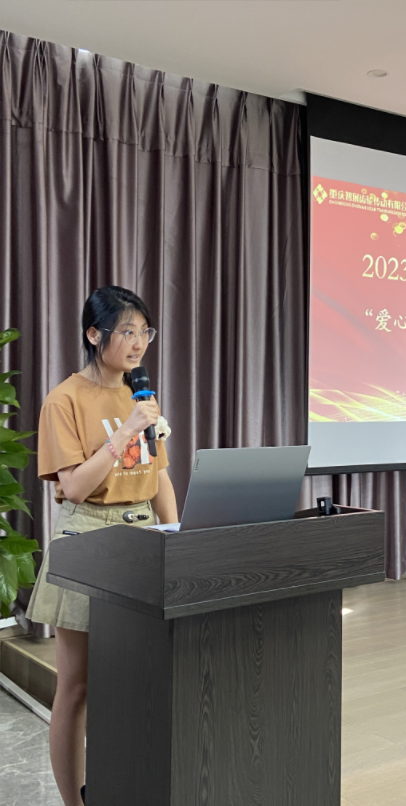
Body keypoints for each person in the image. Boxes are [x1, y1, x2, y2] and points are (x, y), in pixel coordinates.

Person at [26, 286, 178, 806]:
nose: (138, 344)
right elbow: (73, 487)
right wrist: (127, 430)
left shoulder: (141, 397)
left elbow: (159, 476)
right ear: (95, 334)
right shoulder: (65, 399)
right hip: (88, 536)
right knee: (78, 685)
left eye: (145, 332)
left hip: (144, 536)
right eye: (126, 332)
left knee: (137, 677)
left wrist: (177, 536)